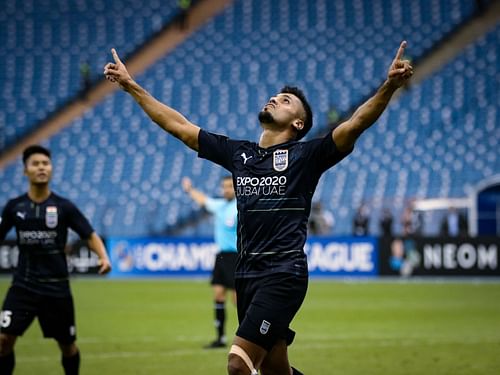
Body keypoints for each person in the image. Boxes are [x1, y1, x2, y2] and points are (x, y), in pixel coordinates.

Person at [104, 40, 413, 375]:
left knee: (238, 365)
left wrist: (389, 86)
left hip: (283, 274)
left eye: (285, 100)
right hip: (246, 274)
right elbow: (178, 126)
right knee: (273, 370)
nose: (275, 99)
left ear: (298, 123)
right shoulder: (240, 154)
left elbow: (355, 124)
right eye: (276, 95)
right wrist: (131, 86)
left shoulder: (306, 157)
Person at [0, 145, 112, 375]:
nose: (41, 167)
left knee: (67, 346)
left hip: (57, 288)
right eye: (35, 164)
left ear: (51, 169)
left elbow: (89, 234)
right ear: (25, 171)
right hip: (23, 286)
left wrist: (103, 257)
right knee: (3, 341)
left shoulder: (64, 207)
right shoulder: (14, 207)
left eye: (45, 163)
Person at [182, 176, 238, 349]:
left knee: (238, 301)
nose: (226, 189)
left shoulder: (241, 207)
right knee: (218, 295)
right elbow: (203, 200)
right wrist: (190, 190)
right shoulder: (220, 205)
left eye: (230, 186)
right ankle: (220, 338)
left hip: (237, 257)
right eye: (224, 187)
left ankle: (251, 339)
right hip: (221, 257)